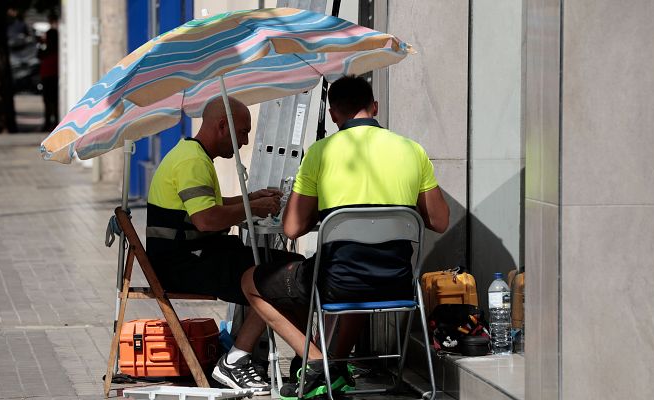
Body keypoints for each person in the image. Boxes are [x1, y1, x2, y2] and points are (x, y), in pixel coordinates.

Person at [241, 75, 450, 399]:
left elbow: (292, 228)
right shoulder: (413, 150)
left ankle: (319, 364)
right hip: (396, 282)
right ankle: (332, 366)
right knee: (355, 281)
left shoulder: (321, 153)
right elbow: (440, 220)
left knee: (251, 281)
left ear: (334, 114)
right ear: (374, 107)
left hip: (336, 282)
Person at [145, 96, 303, 394]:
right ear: (222, 126)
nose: (243, 142)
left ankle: (300, 355)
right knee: (276, 277)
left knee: (289, 266)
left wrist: (251, 198)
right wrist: (252, 209)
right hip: (184, 264)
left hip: (194, 255)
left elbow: (207, 206)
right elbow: (206, 219)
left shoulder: (191, 154)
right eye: (242, 132)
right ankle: (237, 360)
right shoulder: (192, 161)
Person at [39, 15, 58, 131]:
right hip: (49, 76)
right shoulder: (50, 50)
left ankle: (50, 122)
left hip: (50, 76)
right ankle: (51, 122)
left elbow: (40, 55)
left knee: (50, 101)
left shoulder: (49, 50)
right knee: (51, 101)